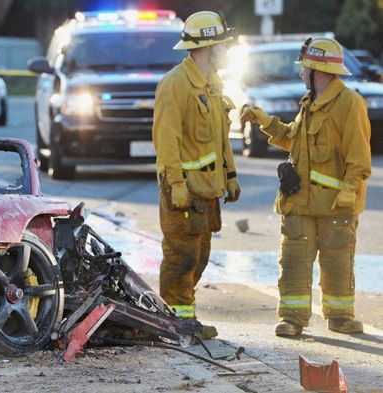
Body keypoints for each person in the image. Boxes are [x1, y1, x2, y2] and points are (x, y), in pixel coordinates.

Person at [241, 37, 371, 336]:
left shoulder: (350, 105)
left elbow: (359, 159)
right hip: (300, 201)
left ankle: (340, 316)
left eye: (305, 69)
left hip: (335, 204)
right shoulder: (309, 104)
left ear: (318, 71)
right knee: (294, 260)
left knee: (337, 260)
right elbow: (293, 140)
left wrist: (350, 188)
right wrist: (266, 122)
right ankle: (293, 318)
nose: (301, 74)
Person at [152, 11, 240, 340]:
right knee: (182, 257)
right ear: (207, 47)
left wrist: (230, 176)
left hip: (206, 191)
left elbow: (220, 138)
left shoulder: (212, 85)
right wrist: (175, 184)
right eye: (222, 45)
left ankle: (182, 318)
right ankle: (175, 324)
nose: (225, 51)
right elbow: (167, 140)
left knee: (200, 257)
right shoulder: (175, 85)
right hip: (183, 191)